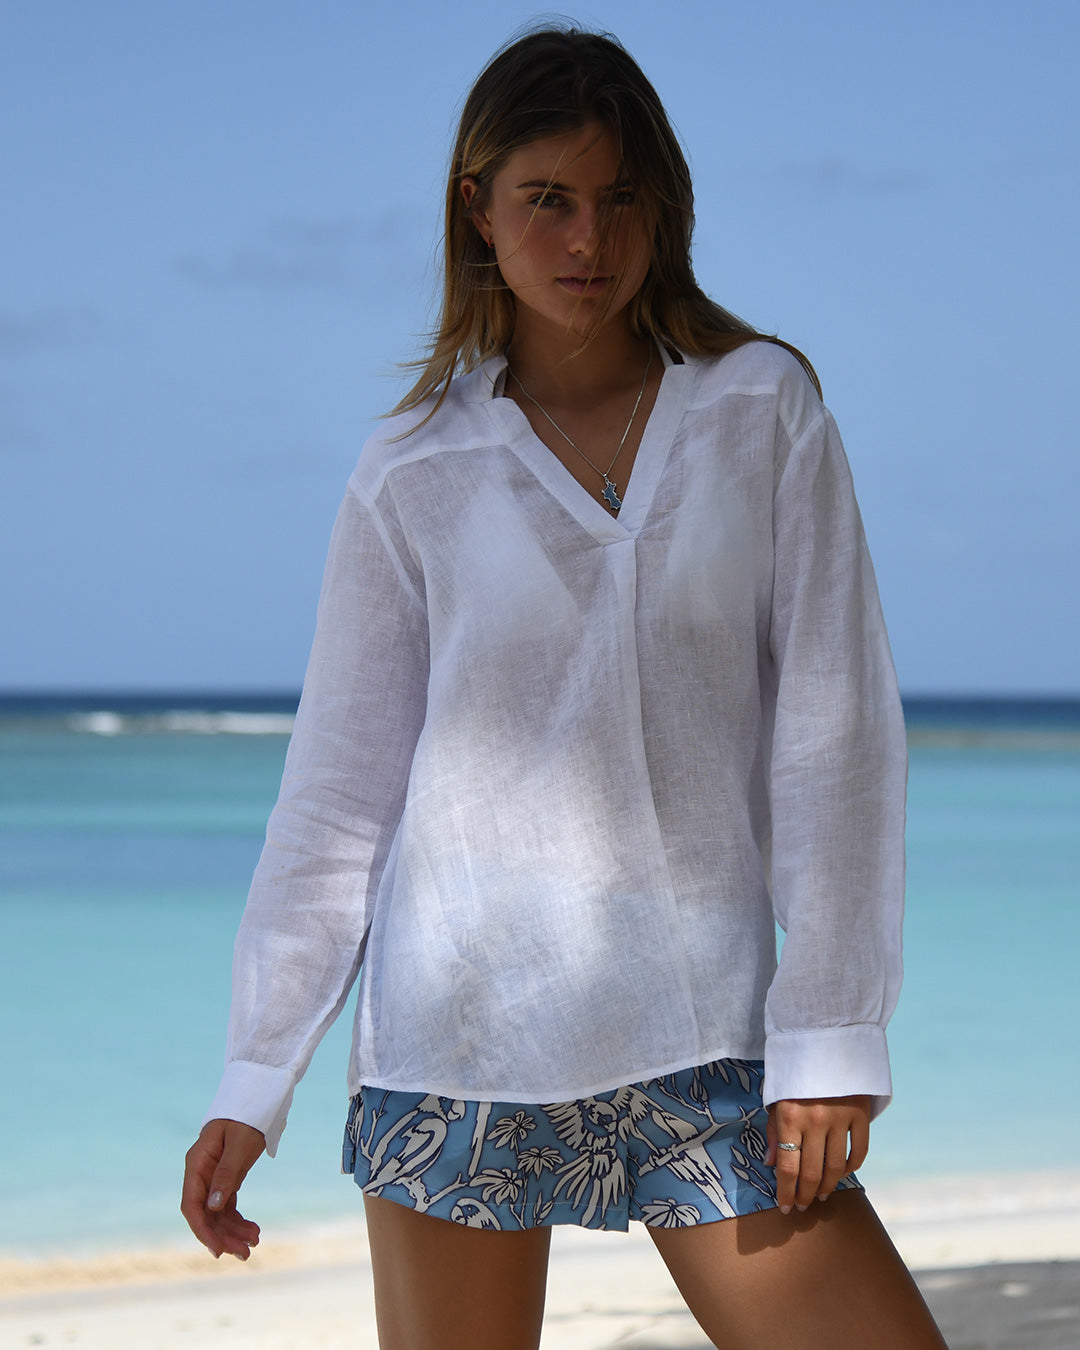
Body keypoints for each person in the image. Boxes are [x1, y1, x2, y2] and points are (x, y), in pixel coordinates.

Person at [182, 26, 947, 1349]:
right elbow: (343, 794)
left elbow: (837, 736)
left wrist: (831, 1028)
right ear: (477, 212)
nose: (587, 237)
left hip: (705, 1033)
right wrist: (259, 1069)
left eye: (620, 197)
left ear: (667, 208)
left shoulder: (761, 410)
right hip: (457, 1042)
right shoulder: (411, 466)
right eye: (547, 199)